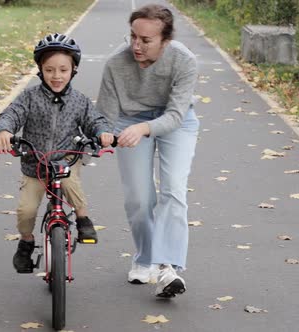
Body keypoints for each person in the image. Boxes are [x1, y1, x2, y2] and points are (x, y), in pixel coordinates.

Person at [95, 4, 199, 298]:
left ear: (165, 40)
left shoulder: (184, 61)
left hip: (176, 122)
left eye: (146, 40)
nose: (136, 45)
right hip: (129, 121)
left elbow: (176, 115)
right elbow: (104, 114)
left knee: (174, 190)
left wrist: (144, 129)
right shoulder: (116, 63)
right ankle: (144, 258)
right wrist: (103, 132)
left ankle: (167, 268)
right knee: (139, 198)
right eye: (133, 37)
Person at [0, 33, 114, 273]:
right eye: (49, 70)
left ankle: (82, 218)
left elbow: (95, 120)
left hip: (66, 160)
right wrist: (4, 130)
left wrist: (103, 132)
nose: (56, 76)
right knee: (27, 209)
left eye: (63, 70)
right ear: (40, 70)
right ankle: (26, 243)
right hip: (34, 165)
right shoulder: (29, 97)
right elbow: (11, 114)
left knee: (70, 182)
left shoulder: (79, 101)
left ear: (73, 70)